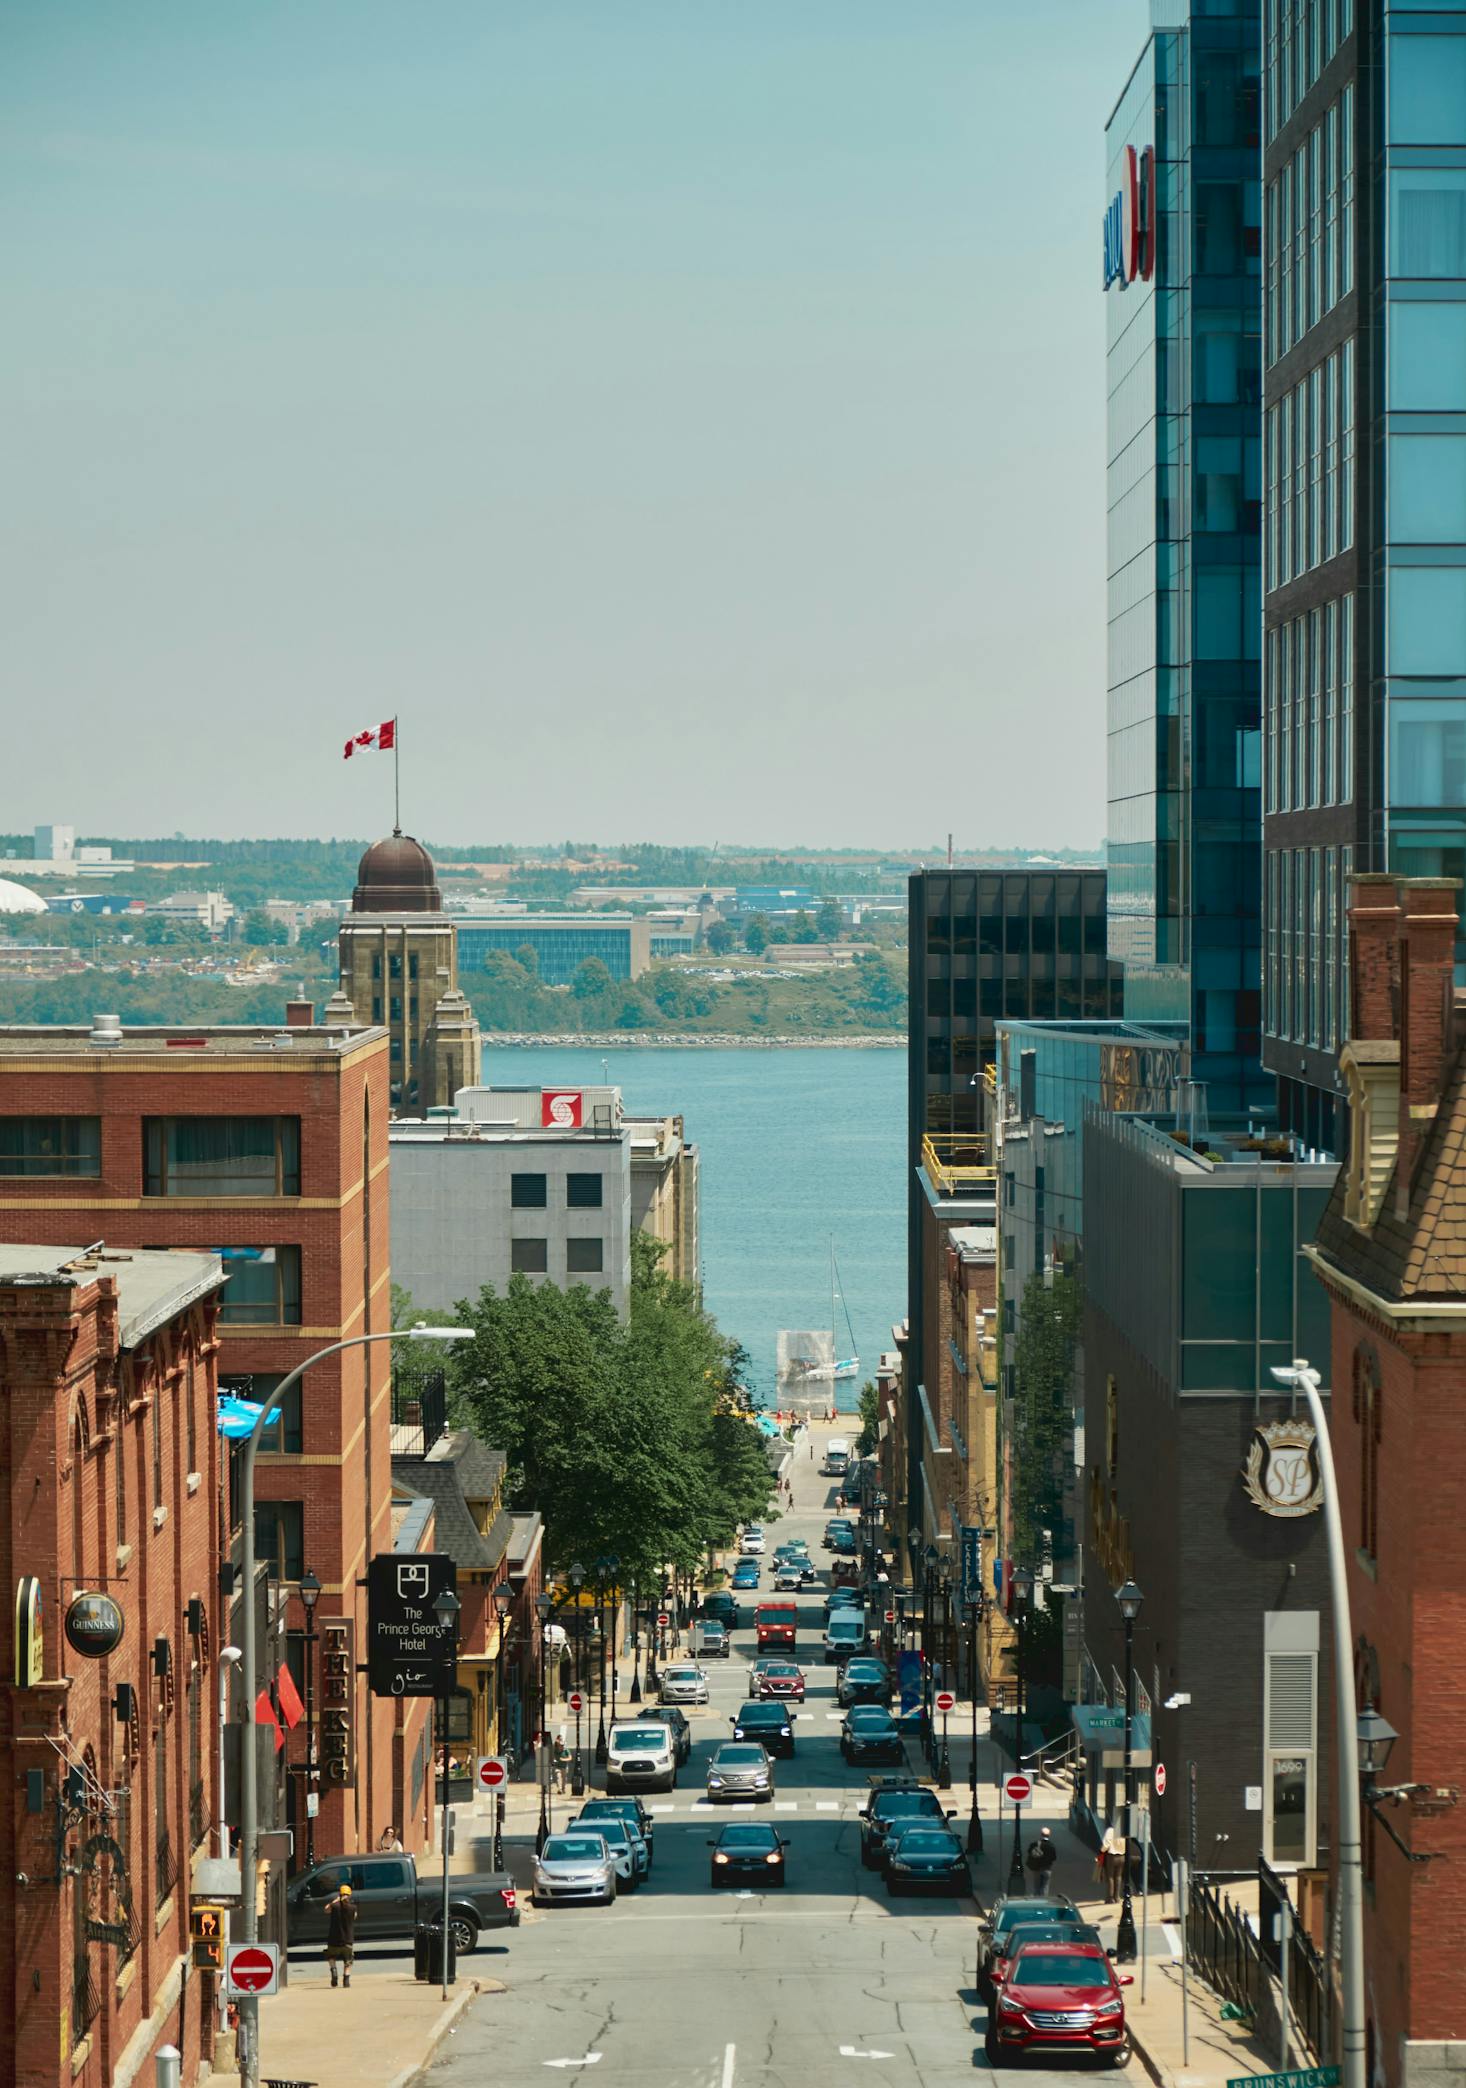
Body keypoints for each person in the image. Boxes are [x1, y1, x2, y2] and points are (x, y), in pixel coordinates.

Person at [325, 1881, 356, 1988]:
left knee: (331, 1956)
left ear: (340, 1894)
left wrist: (335, 1901)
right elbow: (355, 1917)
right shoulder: (353, 1908)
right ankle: (346, 1980)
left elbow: (326, 1910)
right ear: (350, 1894)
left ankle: (334, 1972)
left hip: (333, 1940)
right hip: (347, 1940)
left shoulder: (334, 1906)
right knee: (348, 1960)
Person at [1025, 1827, 1058, 1897]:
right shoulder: (1051, 1846)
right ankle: (1044, 1900)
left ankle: (1037, 1900)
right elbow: (1054, 1858)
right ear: (1049, 1835)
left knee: (1036, 1887)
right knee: (1045, 1886)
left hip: (1036, 1868)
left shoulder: (1034, 1844)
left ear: (1041, 1834)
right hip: (1047, 1869)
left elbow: (1029, 1852)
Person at [1099, 1822, 1124, 1903]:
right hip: (1122, 1856)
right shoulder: (1123, 1830)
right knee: (1118, 1876)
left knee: (1110, 1876)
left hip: (1112, 1856)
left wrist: (1101, 1851)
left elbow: (1106, 1844)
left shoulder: (1110, 1830)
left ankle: (1110, 1898)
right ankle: (1117, 1897)